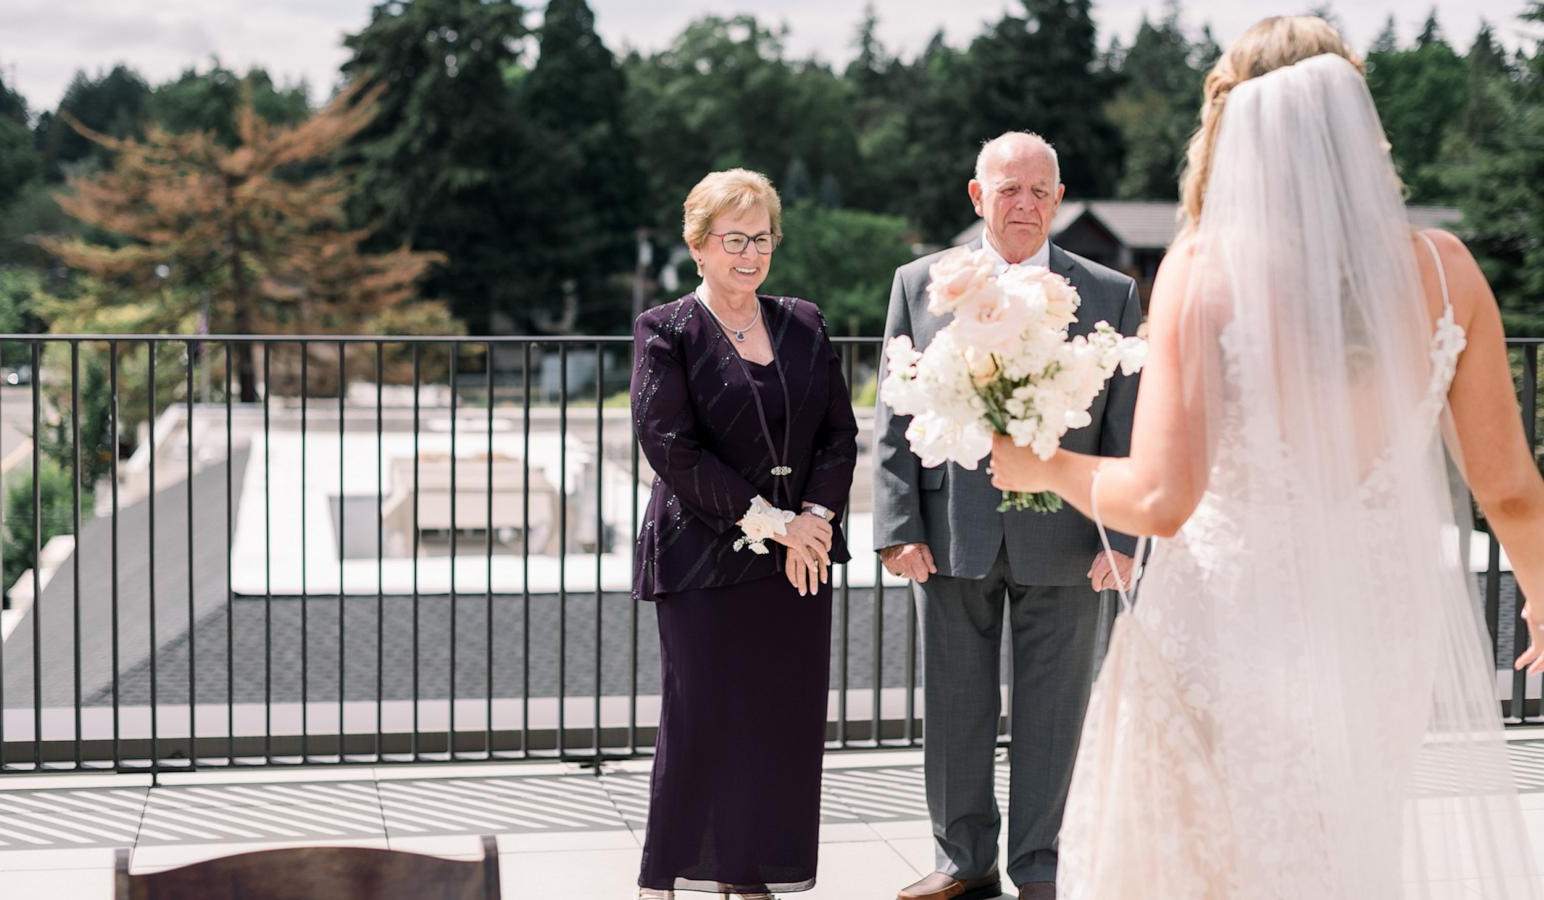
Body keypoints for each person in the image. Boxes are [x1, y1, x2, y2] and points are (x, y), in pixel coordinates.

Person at [988, 17, 1544, 899]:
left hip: (1235, 619)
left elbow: (1164, 499)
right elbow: (1510, 487)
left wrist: (1045, 466)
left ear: (1230, 131)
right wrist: (1543, 597)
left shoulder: (1206, 273)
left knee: (1211, 862)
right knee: (1347, 844)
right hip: (1381, 623)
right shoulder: (1445, 272)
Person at [873, 132, 1143, 900]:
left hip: (1065, 536)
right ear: (976, 195)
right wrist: (898, 527)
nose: (1023, 204)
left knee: (1054, 711)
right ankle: (962, 860)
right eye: (1008, 189)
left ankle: (1039, 865)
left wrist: (1122, 536)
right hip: (951, 532)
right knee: (955, 703)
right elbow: (895, 411)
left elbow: (1129, 426)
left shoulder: (1111, 292)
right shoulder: (918, 282)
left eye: (1038, 190)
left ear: (1058, 199)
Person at [630, 168, 859, 899]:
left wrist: (815, 522)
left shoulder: (804, 321)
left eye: (761, 238)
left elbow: (838, 434)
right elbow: (670, 446)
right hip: (703, 553)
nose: (750, 254)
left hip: (800, 558)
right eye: (734, 239)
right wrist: (775, 523)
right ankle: (667, 875)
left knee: (780, 719)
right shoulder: (666, 329)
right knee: (701, 719)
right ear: (699, 245)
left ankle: (749, 872)